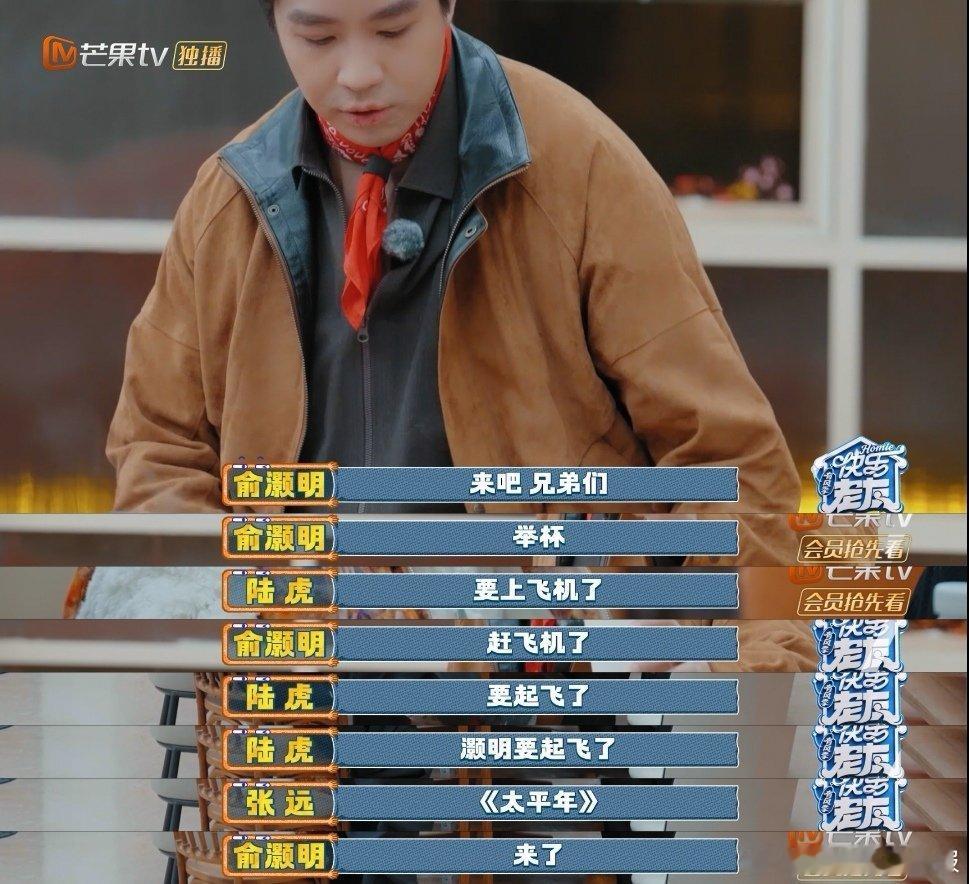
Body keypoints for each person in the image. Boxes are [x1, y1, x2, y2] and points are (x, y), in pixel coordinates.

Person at [107, 0, 801, 562]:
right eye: (318, 38)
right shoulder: (230, 198)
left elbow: (730, 464)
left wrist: (718, 650)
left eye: (392, 29)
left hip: (534, 661)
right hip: (298, 661)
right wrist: (207, 619)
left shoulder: (579, 165)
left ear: (446, 8)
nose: (358, 74)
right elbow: (160, 451)